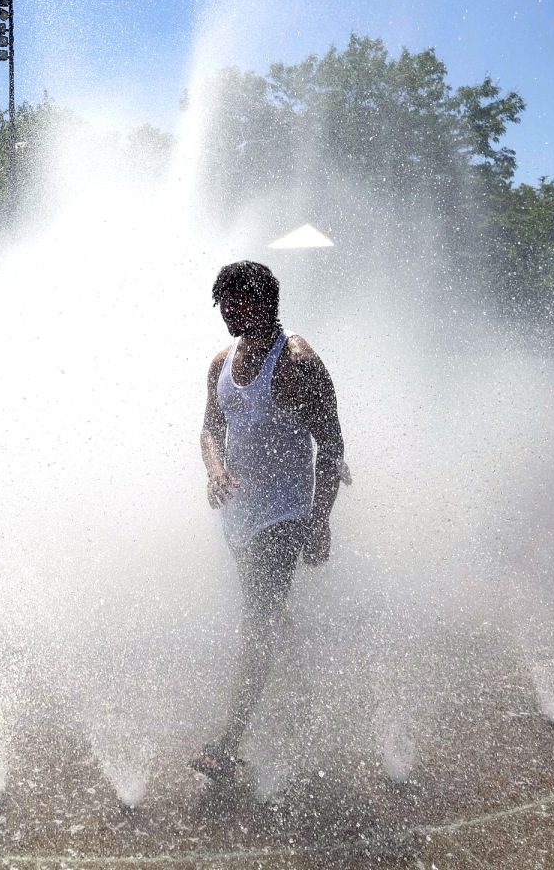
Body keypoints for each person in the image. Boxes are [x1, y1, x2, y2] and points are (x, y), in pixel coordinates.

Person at [194, 260, 344, 782]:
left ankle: (227, 746)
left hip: (286, 509)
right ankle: (300, 669)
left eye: (238, 301)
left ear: (265, 303)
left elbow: (332, 442)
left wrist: (320, 520)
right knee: (266, 609)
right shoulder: (221, 362)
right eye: (223, 302)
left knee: (257, 617)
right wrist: (216, 471)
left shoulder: (297, 361)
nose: (228, 311)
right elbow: (209, 429)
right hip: (239, 511)